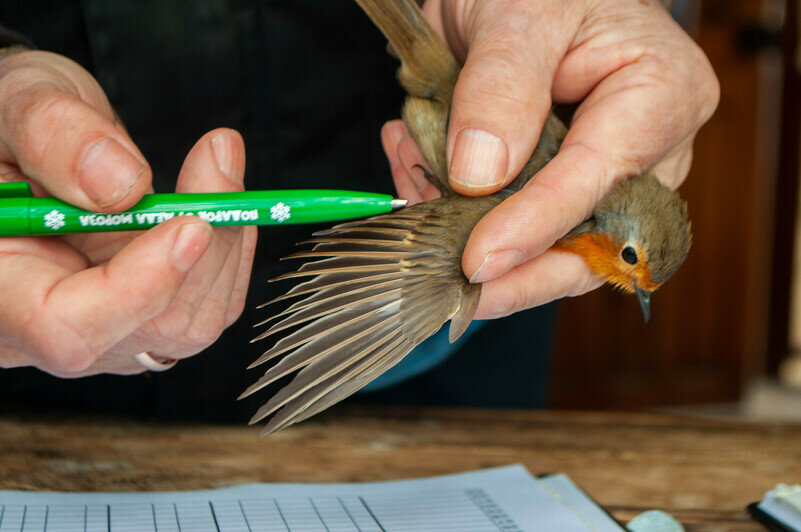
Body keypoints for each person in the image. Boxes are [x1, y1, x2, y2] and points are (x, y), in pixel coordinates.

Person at [0, 0, 718, 421]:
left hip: (442, 383)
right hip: (50, 379)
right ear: (616, 230)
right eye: (631, 264)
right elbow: (409, 283)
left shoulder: (575, 192)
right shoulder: (551, 218)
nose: (629, 285)